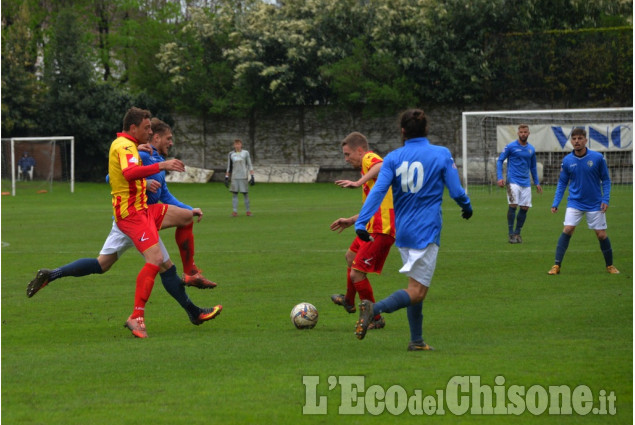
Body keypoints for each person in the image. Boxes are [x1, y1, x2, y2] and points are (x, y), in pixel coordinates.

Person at [26, 116, 220, 333]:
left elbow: (165, 195)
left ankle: (52, 274)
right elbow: (114, 176)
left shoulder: (146, 153)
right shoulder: (139, 153)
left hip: (143, 217)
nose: (170, 142)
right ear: (154, 136)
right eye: (168, 138)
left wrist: (187, 208)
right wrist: (148, 178)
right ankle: (143, 314)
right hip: (132, 220)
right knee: (156, 263)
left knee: (106, 264)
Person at [353, 109, 472, 351]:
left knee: (414, 286)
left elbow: (377, 192)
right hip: (426, 232)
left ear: (403, 131)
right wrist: (466, 206)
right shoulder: (441, 154)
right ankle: (374, 309)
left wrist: (360, 222)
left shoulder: (393, 158)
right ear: (426, 129)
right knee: (417, 292)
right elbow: (457, 191)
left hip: (403, 233)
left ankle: (416, 341)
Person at [329, 132, 395, 330]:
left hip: (381, 229)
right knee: (350, 257)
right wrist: (351, 220)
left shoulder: (368, 159)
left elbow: (382, 164)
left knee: (357, 275)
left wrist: (358, 183)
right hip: (371, 226)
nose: (346, 159)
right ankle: (349, 301)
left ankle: (376, 319)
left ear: (360, 150)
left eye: (348, 154)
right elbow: (373, 206)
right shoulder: (370, 177)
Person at [547, 127, 619, 275]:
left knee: (601, 234)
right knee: (567, 229)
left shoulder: (597, 158)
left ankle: (610, 265)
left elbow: (605, 180)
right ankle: (556, 266)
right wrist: (556, 202)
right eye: (574, 139)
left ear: (586, 140)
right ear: (571, 141)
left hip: (595, 202)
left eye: (580, 138)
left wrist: (605, 198)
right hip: (575, 202)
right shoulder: (567, 160)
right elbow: (562, 183)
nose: (577, 141)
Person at [496, 124, 542, 244]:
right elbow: (500, 160)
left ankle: (517, 233)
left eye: (525, 132)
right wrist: (500, 177)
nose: (523, 134)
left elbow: (533, 167)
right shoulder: (511, 147)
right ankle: (511, 234)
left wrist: (537, 183)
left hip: (525, 182)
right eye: (521, 132)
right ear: (518, 133)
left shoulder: (531, 149)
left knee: (525, 208)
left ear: (528, 133)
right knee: (513, 205)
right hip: (512, 181)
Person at [224, 139, 254, 216]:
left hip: (243, 176)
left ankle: (248, 211)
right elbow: (229, 166)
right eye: (236, 144)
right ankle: (234, 212)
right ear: (234, 145)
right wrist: (226, 177)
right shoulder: (231, 154)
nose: (237, 146)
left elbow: (249, 164)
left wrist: (252, 176)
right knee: (234, 194)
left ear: (241, 145)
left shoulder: (245, 153)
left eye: (239, 144)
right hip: (234, 176)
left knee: (245, 194)